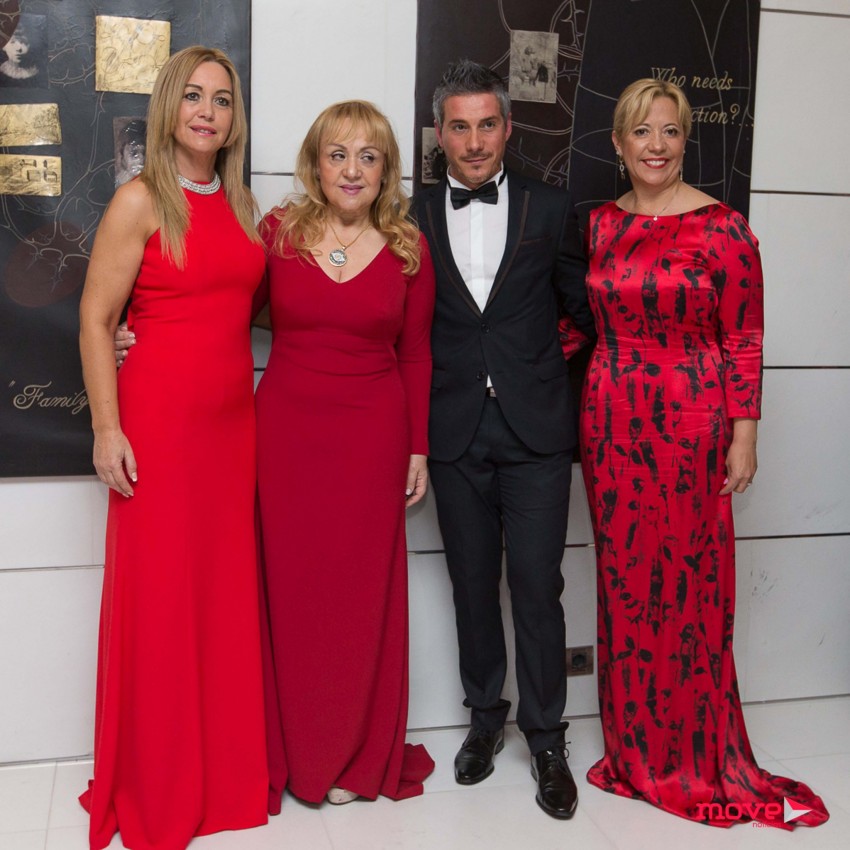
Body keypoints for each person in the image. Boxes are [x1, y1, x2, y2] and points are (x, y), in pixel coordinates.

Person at [581, 77, 829, 829]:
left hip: (692, 424)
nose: (656, 146)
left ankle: (689, 754)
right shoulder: (598, 225)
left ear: (686, 141)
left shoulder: (724, 229)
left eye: (670, 131)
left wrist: (744, 434)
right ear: (618, 144)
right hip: (611, 422)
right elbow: (576, 323)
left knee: (688, 585)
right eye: (641, 132)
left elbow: (744, 337)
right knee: (624, 581)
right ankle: (634, 751)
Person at [78, 46, 268, 850]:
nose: (207, 112)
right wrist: (107, 428)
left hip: (231, 434)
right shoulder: (139, 200)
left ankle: (220, 774)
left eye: (221, 100)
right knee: (159, 605)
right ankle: (158, 782)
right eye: (193, 96)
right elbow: (95, 321)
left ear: (233, 120)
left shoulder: (245, 205)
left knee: (219, 603)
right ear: (168, 107)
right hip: (156, 429)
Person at [412, 60, 595, 819]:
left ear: (508, 127)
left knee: (537, 586)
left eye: (488, 124)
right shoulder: (412, 214)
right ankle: (485, 719)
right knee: (471, 585)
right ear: (441, 134)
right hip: (453, 430)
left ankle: (547, 738)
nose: (475, 140)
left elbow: (586, 312)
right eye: (460, 127)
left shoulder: (552, 208)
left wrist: (540, 372)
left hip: (536, 432)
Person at [255, 100, 436, 808]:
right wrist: (131, 333)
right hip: (286, 437)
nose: (352, 170)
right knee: (291, 591)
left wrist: (418, 447)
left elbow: (416, 355)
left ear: (386, 169)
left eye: (368, 156)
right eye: (338, 154)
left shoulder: (407, 247)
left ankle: (354, 753)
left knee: (358, 597)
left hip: (372, 439)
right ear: (316, 164)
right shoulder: (278, 234)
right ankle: (295, 751)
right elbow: (220, 310)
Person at [114, 118, 147, 187]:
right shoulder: (119, 184)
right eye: (134, 153)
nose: (140, 160)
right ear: (122, 155)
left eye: (145, 153)